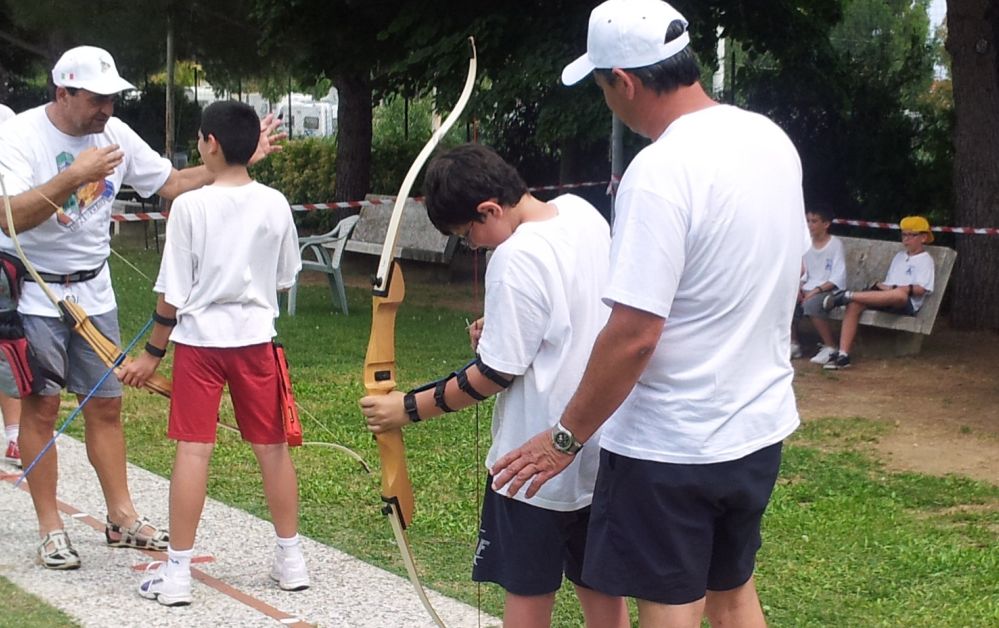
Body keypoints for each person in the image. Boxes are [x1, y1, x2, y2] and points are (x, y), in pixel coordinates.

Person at [490, 1, 807, 626]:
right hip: (757, 428)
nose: (608, 101)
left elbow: (635, 334)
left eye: (605, 87)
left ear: (625, 82)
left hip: (672, 447)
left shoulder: (659, 169)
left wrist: (563, 439)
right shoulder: (770, 139)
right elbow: (789, 275)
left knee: (671, 607)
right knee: (734, 591)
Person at [0, 45, 283, 570]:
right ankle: (50, 526)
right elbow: (9, 216)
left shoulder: (114, 133)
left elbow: (170, 183)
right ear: (63, 92)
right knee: (40, 406)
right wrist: (73, 174)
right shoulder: (18, 135)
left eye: (113, 98)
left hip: (93, 291)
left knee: (106, 404)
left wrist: (235, 159)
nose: (107, 110)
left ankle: (121, 517)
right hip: (35, 290)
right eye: (96, 99)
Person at [359, 144, 628, 628]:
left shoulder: (516, 255)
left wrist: (407, 408)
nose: (475, 247)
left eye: (469, 234)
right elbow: (573, 316)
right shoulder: (583, 214)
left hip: (528, 465)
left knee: (528, 601)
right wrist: (505, 326)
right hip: (598, 450)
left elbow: (493, 376)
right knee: (603, 595)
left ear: (489, 210)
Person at [119, 100, 305, 607]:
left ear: (211, 144)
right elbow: (287, 276)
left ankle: (177, 573)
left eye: (201, 140)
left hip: (201, 345)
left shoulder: (191, 206)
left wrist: (150, 357)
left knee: (194, 449)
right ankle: (292, 560)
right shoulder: (274, 202)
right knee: (272, 448)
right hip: (254, 340)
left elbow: (171, 295)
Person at [820, 216, 936, 370]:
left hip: (906, 303)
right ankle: (843, 355)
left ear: (923, 237)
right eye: (904, 235)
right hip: (886, 296)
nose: (906, 239)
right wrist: (882, 286)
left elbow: (921, 290)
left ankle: (846, 295)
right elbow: (889, 283)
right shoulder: (899, 257)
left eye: (911, 235)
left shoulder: (925, 260)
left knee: (898, 295)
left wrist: (896, 288)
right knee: (855, 305)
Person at [793, 205, 846, 364]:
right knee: (786, 298)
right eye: (808, 221)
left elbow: (837, 277)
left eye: (814, 221)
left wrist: (815, 291)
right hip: (809, 286)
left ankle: (830, 346)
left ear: (826, 224)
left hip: (829, 289)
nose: (810, 225)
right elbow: (804, 272)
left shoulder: (835, 244)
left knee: (811, 304)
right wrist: (797, 287)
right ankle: (793, 343)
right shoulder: (806, 244)